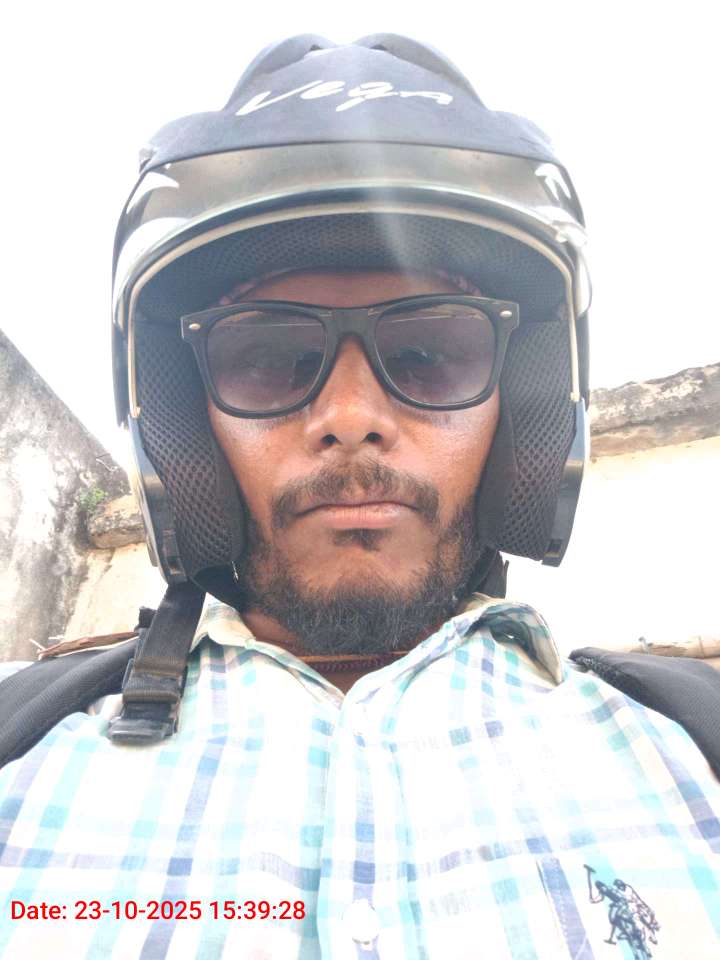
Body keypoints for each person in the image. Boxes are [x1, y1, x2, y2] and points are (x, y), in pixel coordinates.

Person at [1, 33, 719, 960]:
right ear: (184, 424)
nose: (350, 417)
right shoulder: (22, 748)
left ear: (521, 410)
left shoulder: (692, 746)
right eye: (267, 358)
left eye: (430, 352)